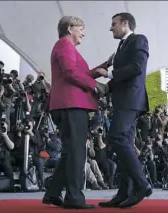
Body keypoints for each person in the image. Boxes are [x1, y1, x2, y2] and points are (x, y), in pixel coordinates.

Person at [42, 16, 108, 209]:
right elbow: (70, 73)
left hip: (69, 105)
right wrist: (95, 85)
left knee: (71, 152)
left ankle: (53, 193)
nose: (83, 33)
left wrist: (104, 66)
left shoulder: (65, 47)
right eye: (81, 29)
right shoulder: (64, 45)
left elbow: (79, 73)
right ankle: (74, 198)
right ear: (70, 28)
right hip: (71, 105)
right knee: (77, 153)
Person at [92, 12, 152, 208]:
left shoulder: (139, 40)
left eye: (114, 24)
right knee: (122, 142)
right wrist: (106, 88)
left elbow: (136, 68)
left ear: (126, 23)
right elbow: (122, 77)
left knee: (117, 138)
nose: (111, 28)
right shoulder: (120, 47)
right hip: (122, 100)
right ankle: (124, 192)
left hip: (130, 100)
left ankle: (142, 184)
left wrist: (108, 73)